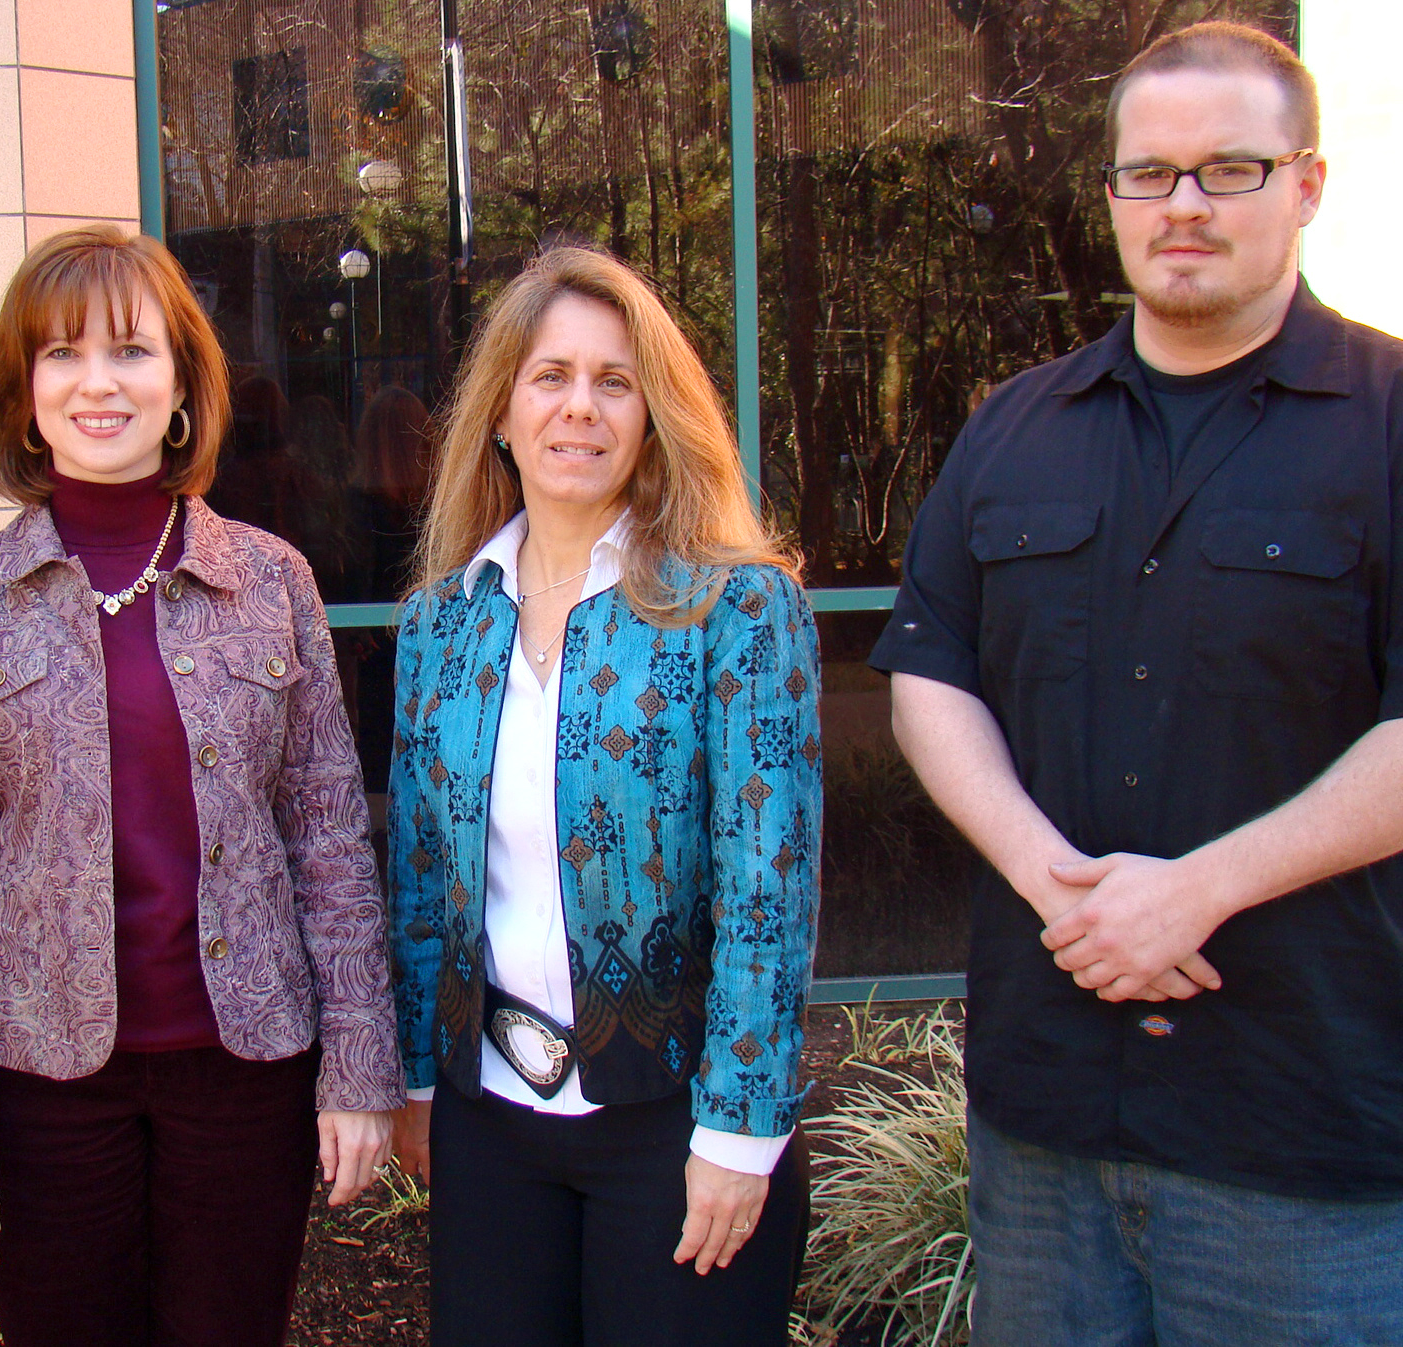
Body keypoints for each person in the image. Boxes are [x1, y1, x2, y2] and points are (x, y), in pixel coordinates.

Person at [870, 21, 1403, 1344]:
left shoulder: (1391, 420)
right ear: (1109, 193)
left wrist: (1203, 888)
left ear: (1309, 185)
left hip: (1303, 1136)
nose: (1183, 205)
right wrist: (1058, 878)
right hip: (1045, 1123)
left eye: (1229, 169)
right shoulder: (1015, 426)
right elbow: (931, 676)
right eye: (1149, 173)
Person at [0, 225, 402, 1347]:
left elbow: (328, 840)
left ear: (181, 387)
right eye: (61, 356)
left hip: (245, 1071)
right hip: (43, 1081)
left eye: (129, 351)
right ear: (22, 395)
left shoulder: (271, 583)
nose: (96, 384)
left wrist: (359, 1070)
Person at [388, 246, 822, 1347]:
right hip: (490, 1122)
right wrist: (416, 1080)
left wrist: (739, 1132)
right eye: (550, 376)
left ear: (652, 414)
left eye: (613, 382)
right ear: (499, 408)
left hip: (674, 1124)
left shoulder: (737, 609)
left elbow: (769, 898)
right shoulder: (442, 625)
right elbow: (421, 879)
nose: (579, 407)